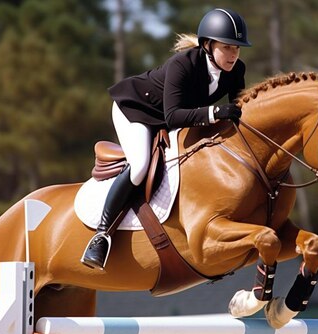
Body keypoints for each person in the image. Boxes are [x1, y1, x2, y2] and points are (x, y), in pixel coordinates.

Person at [81, 8, 251, 269]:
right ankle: (101, 236)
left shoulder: (236, 70)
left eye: (237, 48)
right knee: (139, 167)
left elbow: (237, 112)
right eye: (227, 47)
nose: (233, 54)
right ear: (208, 45)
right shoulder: (182, 64)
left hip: (173, 116)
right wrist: (214, 112)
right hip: (136, 110)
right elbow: (173, 117)